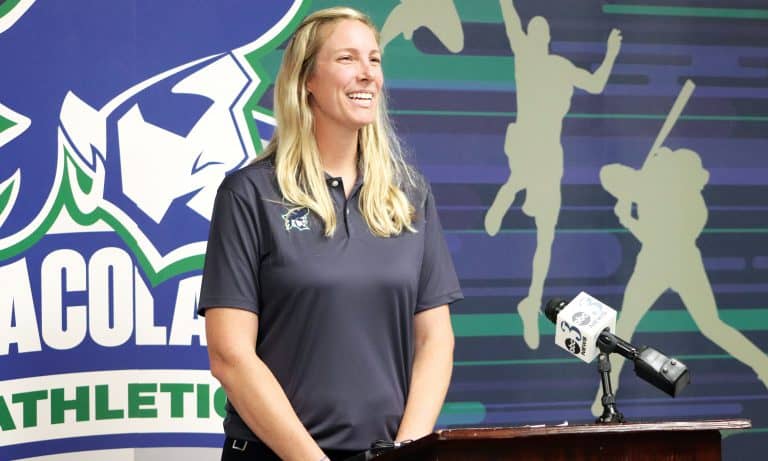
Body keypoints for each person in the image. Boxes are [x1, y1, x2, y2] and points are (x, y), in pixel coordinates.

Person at [198, 7, 463, 461]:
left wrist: (403, 453)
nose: (367, 74)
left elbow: (435, 340)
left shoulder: (409, 195)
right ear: (307, 80)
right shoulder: (250, 195)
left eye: (374, 60)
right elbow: (229, 355)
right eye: (346, 59)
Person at [485, 0, 621, 349]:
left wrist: (610, 53)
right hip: (526, 147)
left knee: (545, 235)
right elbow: (511, 22)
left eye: (542, 33)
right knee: (520, 172)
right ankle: (510, 192)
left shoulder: (559, 67)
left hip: (550, 155)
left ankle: (531, 304)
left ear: (547, 39)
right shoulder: (525, 60)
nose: (536, 36)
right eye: (533, 32)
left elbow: (595, 83)